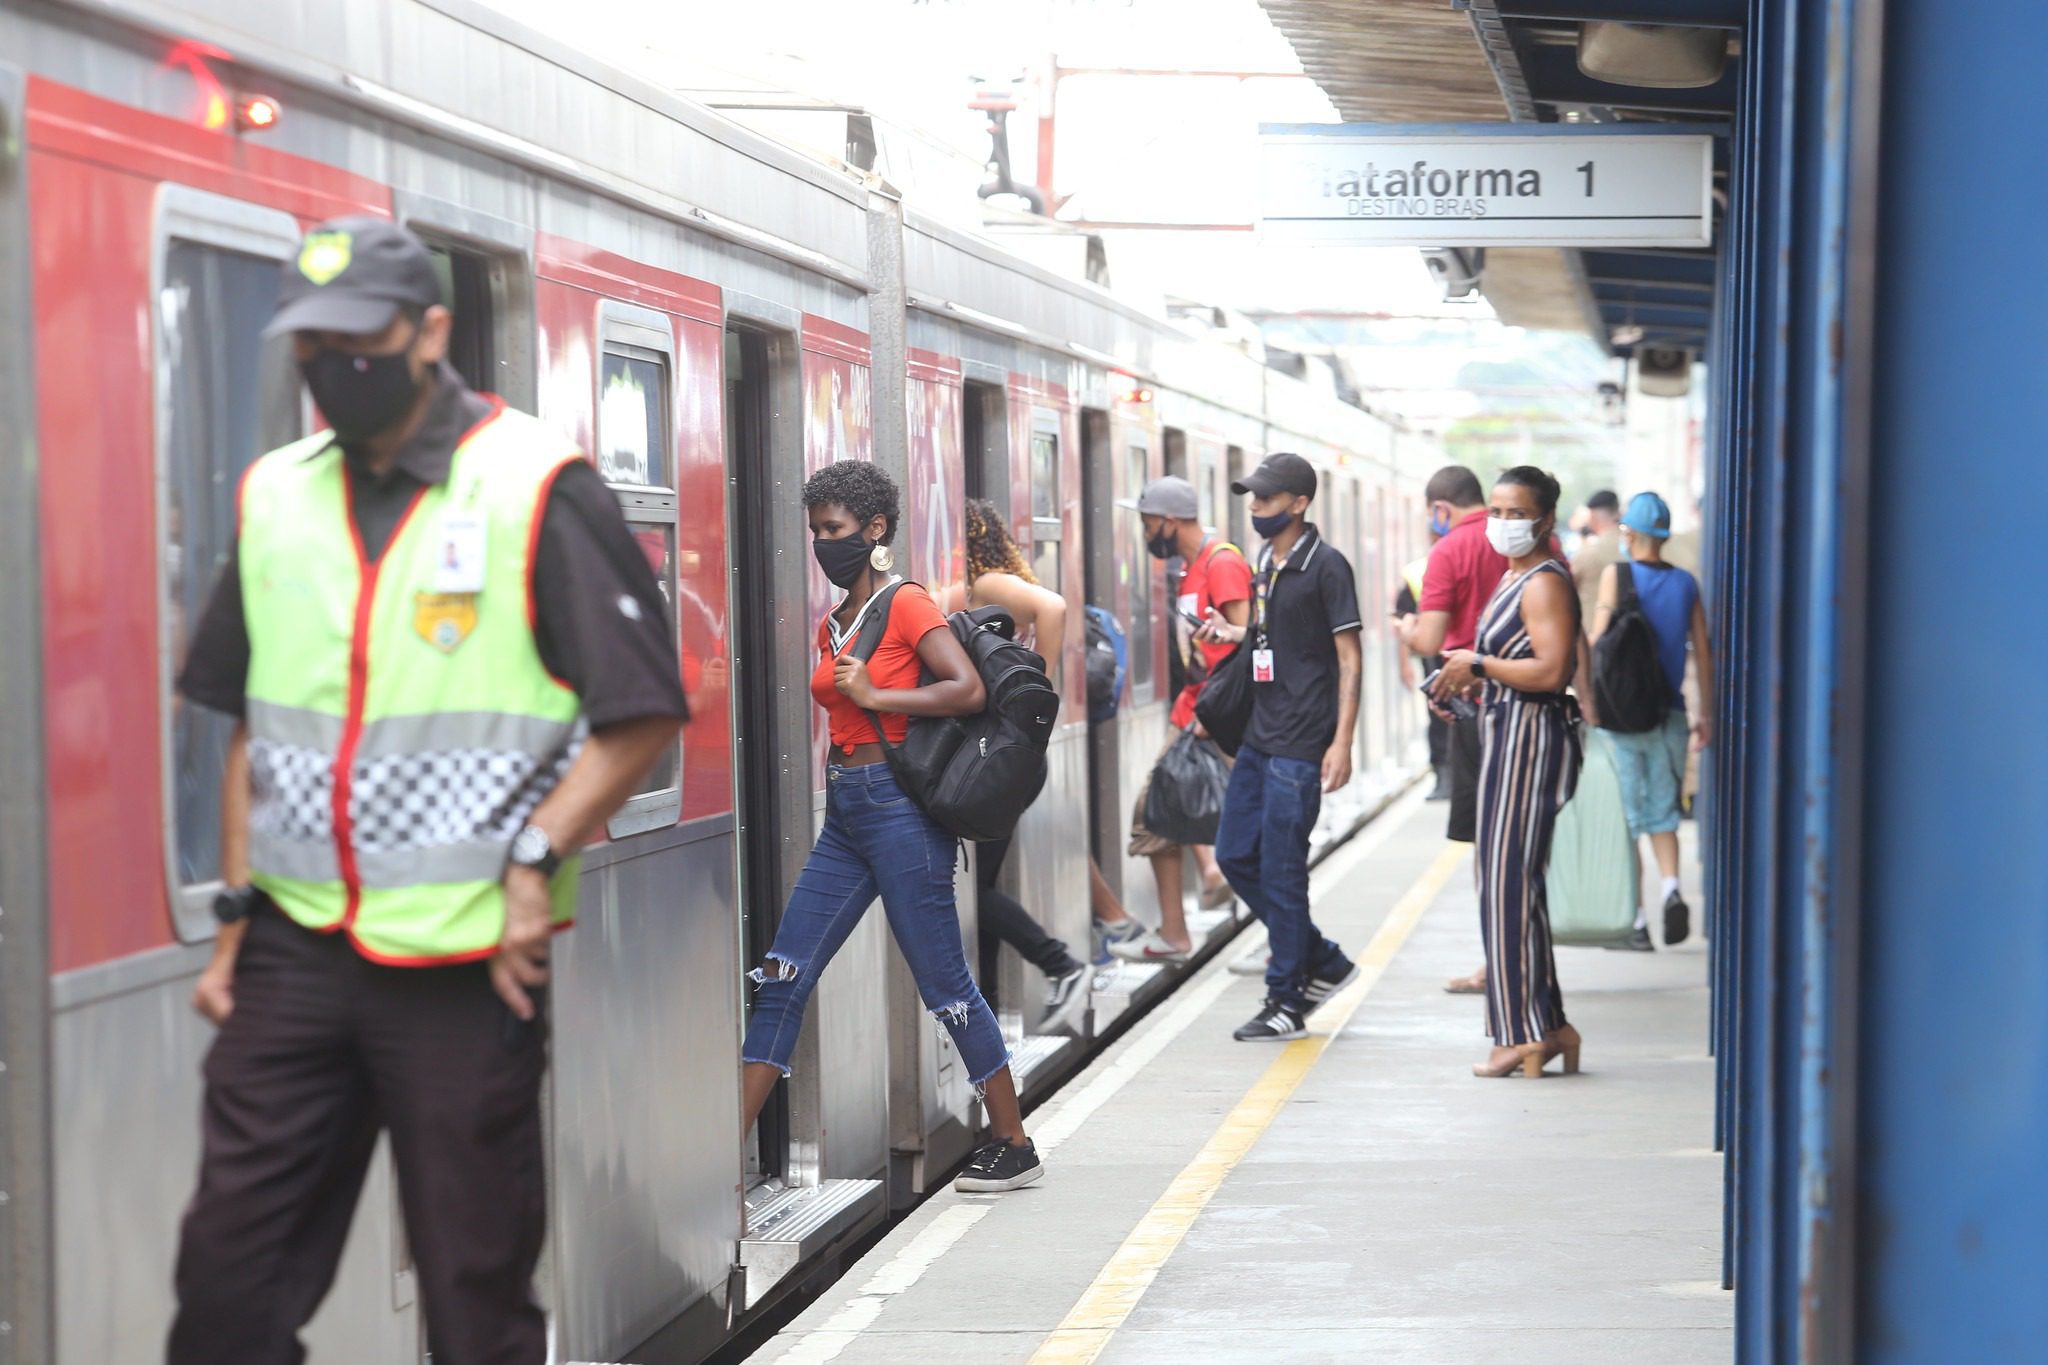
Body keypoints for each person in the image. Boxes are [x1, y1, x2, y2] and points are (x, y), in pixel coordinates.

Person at [169, 217, 688, 1363]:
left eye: (360, 338)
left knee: (473, 1301)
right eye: (312, 345)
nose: (333, 367)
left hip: (464, 969)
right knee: (224, 1300)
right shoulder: (275, 496)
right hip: (296, 955)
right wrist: (233, 926)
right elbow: (256, 725)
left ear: (430, 330)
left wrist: (532, 857)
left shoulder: (534, 485)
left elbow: (643, 708)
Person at [739, 461, 1041, 1193]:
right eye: (815, 531)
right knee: (784, 970)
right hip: (848, 806)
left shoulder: (906, 605)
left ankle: (1013, 1140)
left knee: (942, 980)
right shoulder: (834, 620)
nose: (822, 543)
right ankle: (724, 1149)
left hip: (900, 808)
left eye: (835, 530)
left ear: (874, 530)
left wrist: (878, 691)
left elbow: (966, 688)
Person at [1199, 453, 1363, 1042]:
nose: (1255, 509)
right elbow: (1278, 638)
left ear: (1298, 503)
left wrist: (1341, 742)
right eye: (1252, 499)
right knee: (1236, 855)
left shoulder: (1328, 568)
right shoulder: (1265, 562)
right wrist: (1235, 634)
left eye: (1265, 500)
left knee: (1284, 870)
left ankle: (1285, 997)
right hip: (1261, 736)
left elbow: (1349, 658)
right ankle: (1322, 958)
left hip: (1301, 743)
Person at [1431, 466, 1584, 1079]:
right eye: (1496, 510)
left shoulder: (1544, 582)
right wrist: (1460, 677)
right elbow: (1501, 660)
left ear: (1545, 519)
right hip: (1505, 735)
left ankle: (1517, 1035)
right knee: (1516, 886)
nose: (1502, 523)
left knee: (1505, 887)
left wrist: (1482, 666)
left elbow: (1552, 671)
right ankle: (1550, 1027)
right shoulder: (1514, 576)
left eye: (1515, 513)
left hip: (1529, 739)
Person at [960, 497, 1089, 1024]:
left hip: (1007, 758)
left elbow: (1054, 606)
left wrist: (1041, 686)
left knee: (973, 891)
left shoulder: (986, 584)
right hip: (1009, 759)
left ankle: (1061, 965)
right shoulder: (983, 585)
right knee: (978, 887)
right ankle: (990, 1005)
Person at [1114, 475, 1252, 962]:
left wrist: (1213, 717)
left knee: (1244, 827)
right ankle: (1176, 931)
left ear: (1169, 521)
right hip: (1191, 714)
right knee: (1157, 816)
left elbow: (1247, 640)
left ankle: (1282, 937)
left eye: (1149, 523)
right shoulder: (1192, 569)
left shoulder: (1224, 563)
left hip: (1219, 720)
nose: (1147, 532)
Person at [1589, 492, 1715, 947]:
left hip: (1621, 717)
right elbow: (1702, 652)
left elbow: (1600, 642)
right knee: (1664, 814)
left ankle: (1637, 921)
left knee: (1627, 817)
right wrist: (1707, 715)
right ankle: (1672, 889)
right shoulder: (1685, 584)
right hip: (1671, 714)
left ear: (1630, 533)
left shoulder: (1616, 575)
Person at [1395, 543, 1450, 801]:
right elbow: (1402, 620)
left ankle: (1449, 777)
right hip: (1434, 656)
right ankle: (1443, 775)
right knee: (1439, 714)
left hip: (1452, 653)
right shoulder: (1416, 572)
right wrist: (1404, 663)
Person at [1571, 488, 1625, 626]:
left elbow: (1567, 588)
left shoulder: (1588, 553)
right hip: (1633, 635)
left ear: (1592, 518)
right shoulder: (1634, 548)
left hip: (1594, 636)